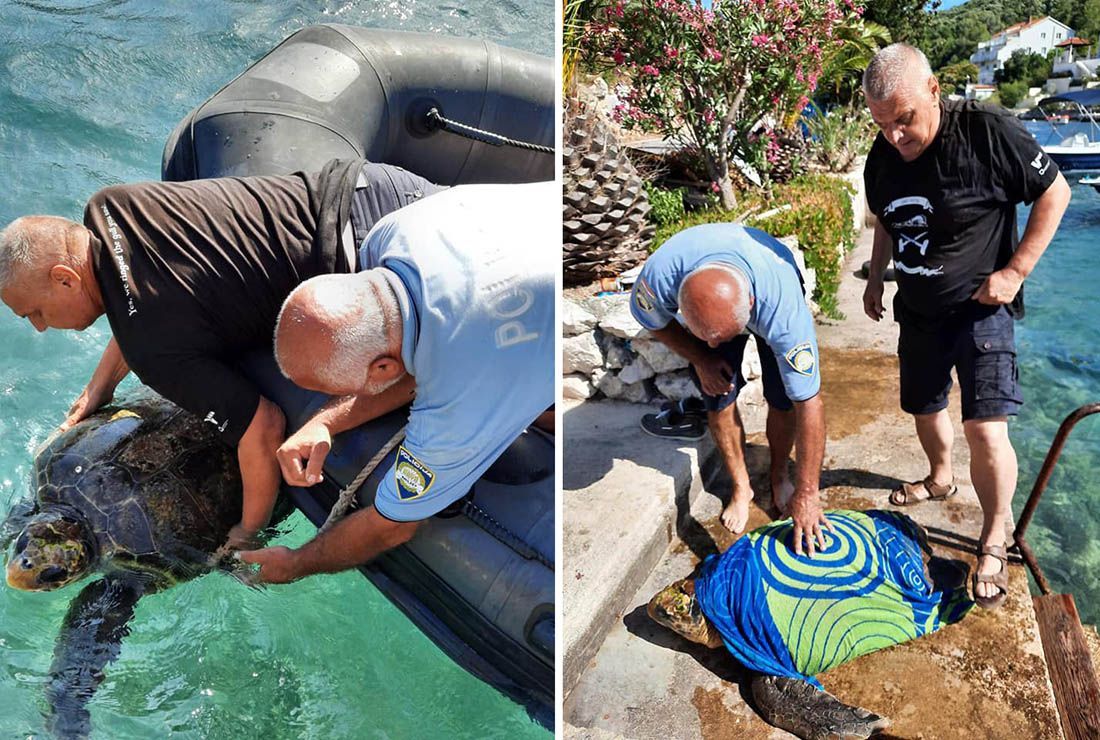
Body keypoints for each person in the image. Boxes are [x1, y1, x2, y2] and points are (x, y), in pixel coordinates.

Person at [0, 159, 443, 547]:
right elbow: (137, 301)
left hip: (395, 271)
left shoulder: (152, 348)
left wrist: (248, 532)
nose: (39, 326)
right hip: (380, 190)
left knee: (430, 368)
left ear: (65, 278)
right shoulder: (111, 206)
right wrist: (99, 388)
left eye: (34, 312)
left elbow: (263, 426)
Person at [238, 181, 555, 583]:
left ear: (383, 370)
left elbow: (392, 526)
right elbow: (407, 358)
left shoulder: (463, 398)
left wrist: (296, 563)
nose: (338, 396)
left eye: (341, 389)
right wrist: (325, 421)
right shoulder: (392, 233)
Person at [861, 44, 1071, 608]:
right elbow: (886, 219)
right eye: (882, 124)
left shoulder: (986, 131)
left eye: (904, 119)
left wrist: (1015, 271)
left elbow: (1056, 192)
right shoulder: (883, 156)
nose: (894, 136)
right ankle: (939, 478)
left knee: (985, 429)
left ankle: (995, 535)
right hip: (918, 311)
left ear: (933, 90)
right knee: (924, 407)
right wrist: (876, 277)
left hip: (982, 309)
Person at [629, 223, 831, 556]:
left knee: (783, 399)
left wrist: (808, 494)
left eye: (719, 337)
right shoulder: (661, 276)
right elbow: (649, 317)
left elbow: (809, 404)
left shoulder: (784, 312)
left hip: (769, 280)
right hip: (714, 294)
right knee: (717, 396)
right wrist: (700, 357)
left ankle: (779, 475)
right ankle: (741, 488)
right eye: (706, 337)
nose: (713, 344)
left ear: (750, 304)